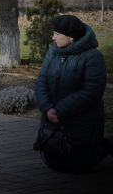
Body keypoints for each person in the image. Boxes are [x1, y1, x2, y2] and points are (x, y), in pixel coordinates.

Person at [35, 14, 109, 172]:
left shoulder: (92, 57)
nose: (53, 37)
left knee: (78, 166)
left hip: (81, 123)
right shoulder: (53, 52)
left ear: (71, 37)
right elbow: (41, 81)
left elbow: (91, 91)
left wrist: (61, 110)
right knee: (55, 163)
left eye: (57, 34)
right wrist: (47, 108)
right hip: (52, 120)